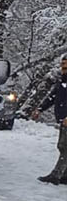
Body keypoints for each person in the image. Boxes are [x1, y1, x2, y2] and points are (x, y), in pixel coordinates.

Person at [32, 53, 67, 184]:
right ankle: (64, 175)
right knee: (63, 146)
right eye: (62, 64)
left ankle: (56, 175)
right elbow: (52, 97)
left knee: (64, 147)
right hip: (63, 119)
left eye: (65, 64)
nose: (62, 66)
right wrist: (40, 109)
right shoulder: (62, 81)